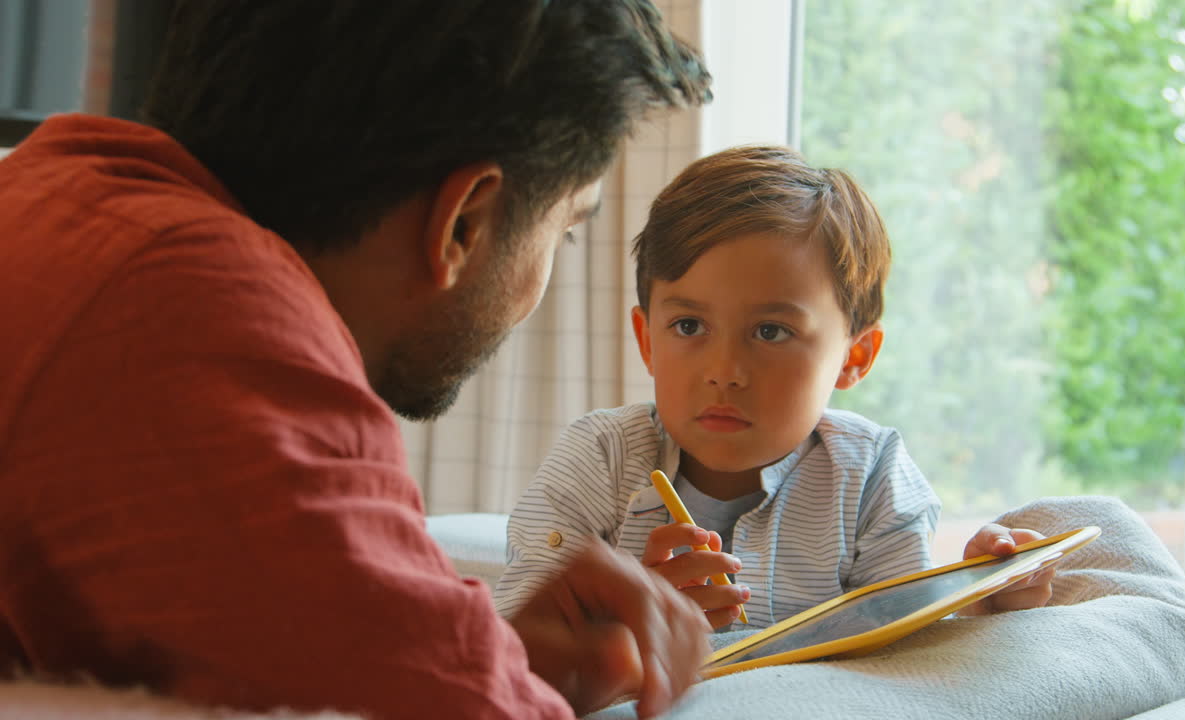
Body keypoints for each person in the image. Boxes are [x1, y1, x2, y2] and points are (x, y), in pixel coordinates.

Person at [0, 2, 716, 719]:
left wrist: (487, 658)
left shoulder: (53, 192)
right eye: (564, 231)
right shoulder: (201, 317)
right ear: (465, 219)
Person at [495, 145, 1054, 628]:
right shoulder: (599, 459)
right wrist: (630, 618)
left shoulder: (871, 475)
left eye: (771, 331)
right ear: (647, 341)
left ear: (853, 357)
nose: (724, 370)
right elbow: (515, 638)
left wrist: (984, 598)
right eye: (688, 326)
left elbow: (905, 646)